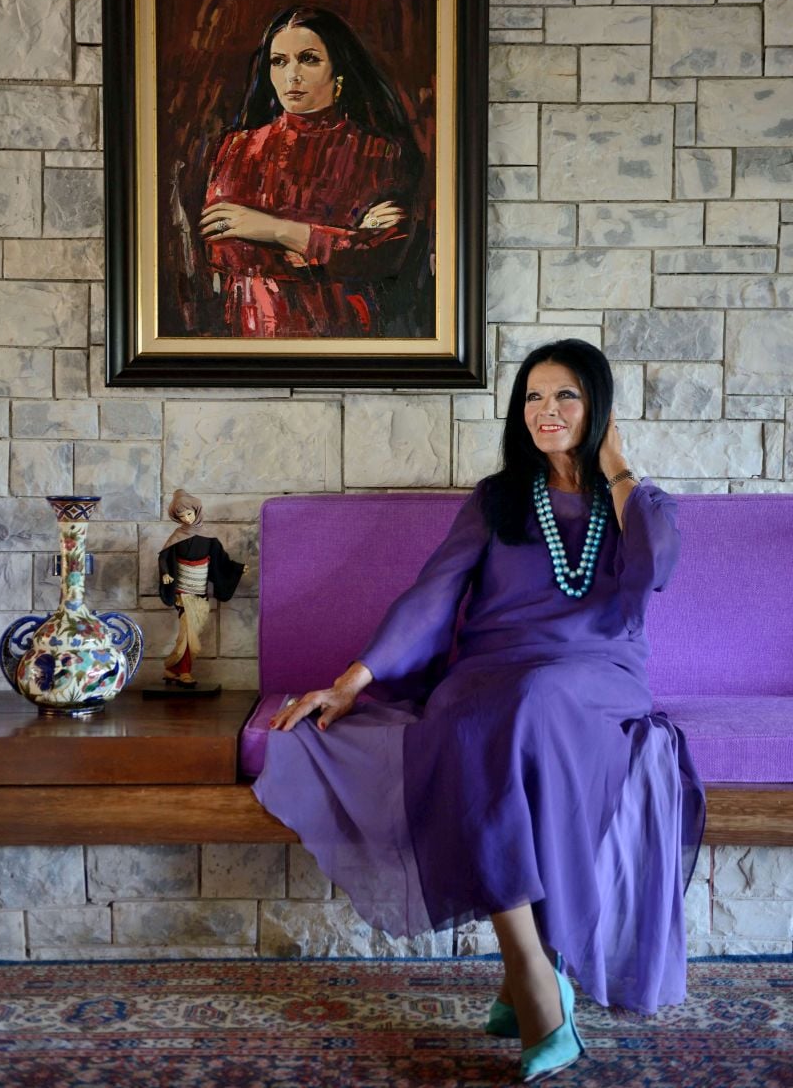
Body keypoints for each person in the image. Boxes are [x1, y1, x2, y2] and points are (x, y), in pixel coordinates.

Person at [254, 338, 705, 1083]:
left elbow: (656, 566)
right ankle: (530, 969)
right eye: (533, 396)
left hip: (596, 675)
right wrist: (352, 681)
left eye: (566, 395)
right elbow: (433, 596)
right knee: (471, 722)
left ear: (598, 407)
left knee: (525, 709)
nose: (546, 411)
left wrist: (617, 464)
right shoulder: (497, 498)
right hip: (492, 672)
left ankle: (528, 979)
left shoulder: (632, 502)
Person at [199, 5, 429, 340]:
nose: (292, 75)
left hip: (347, 335)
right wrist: (340, 243)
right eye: (279, 61)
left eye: (308, 59)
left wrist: (269, 228)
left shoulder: (379, 153)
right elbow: (224, 250)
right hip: (255, 332)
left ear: (339, 69)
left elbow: (382, 257)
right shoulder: (238, 148)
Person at [158, 489, 246, 686]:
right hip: (182, 592)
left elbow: (221, 561)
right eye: (181, 516)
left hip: (200, 592)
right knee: (190, 638)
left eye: (189, 514)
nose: (187, 519)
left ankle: (172, 670)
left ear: (197, 511)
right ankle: (184, 672)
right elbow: (164, 557)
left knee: (191, 635)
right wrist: (165, 573)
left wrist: (237, 568)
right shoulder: (177, 537)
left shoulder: (209, 538)